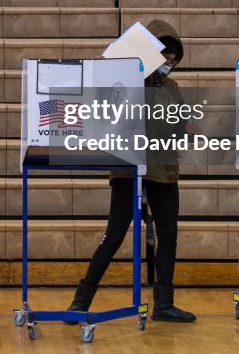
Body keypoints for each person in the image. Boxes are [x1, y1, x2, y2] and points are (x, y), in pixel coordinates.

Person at [65, 19, 197, 323]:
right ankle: (80, 301)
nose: (170, 65)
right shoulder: (127, 80)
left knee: (168, 236)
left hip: (163, 169)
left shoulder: (172, 88)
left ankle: (163, 303)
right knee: (114, 235)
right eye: (166, 58)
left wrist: (186, 127)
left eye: (174, 61)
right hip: (128, 168)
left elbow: (176, 128)